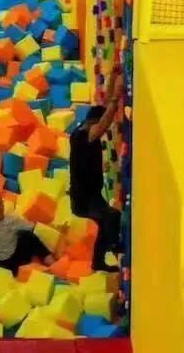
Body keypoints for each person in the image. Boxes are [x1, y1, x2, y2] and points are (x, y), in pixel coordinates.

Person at [69, 67, 125, 273]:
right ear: (92, 123)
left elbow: (103, 109)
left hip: (91, 195)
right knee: (110, 217)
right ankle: (111, 248)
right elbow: (103, 123)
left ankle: (102, 257)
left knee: (108, 219)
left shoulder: (82, 131)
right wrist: (116, 98)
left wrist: (113, 78)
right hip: (84, 200)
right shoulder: (82, 137)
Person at [0, 193, 54, 275]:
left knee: (28, 236)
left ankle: (52, 264)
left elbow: (32, 227)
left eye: (1, 203)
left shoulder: (12, 220)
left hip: (14, 258)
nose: (0, 207)